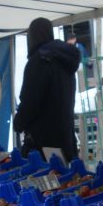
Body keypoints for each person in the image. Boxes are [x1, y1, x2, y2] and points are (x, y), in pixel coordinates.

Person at [13, 18, 80, 162]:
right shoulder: (65, 60)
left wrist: (18, 123)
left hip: (43, 143)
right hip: (65, 139)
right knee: (62, 181)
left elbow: (30, 101)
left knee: (45, 181)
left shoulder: (39, 61)